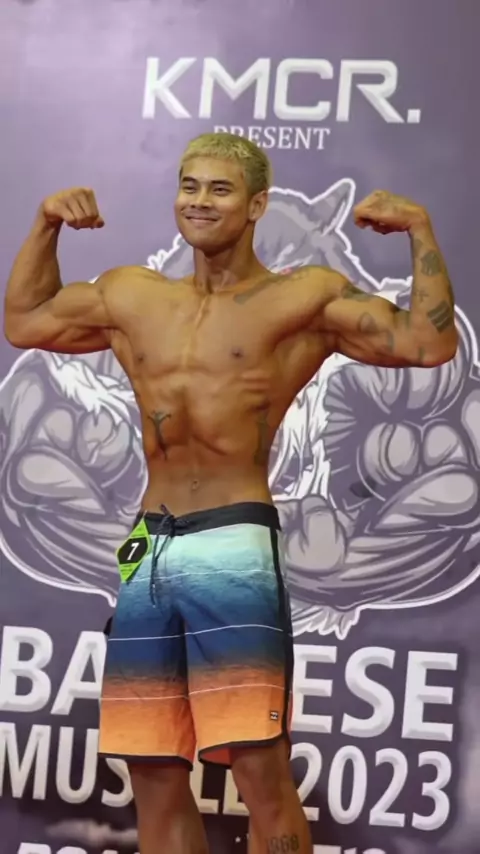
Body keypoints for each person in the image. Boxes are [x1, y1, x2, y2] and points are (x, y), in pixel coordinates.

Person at [4, 132, 457, 854]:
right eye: (189, 186)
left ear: (256, 205)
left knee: (257, 767)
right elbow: (25, 320)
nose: (199, 201)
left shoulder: (300, 297)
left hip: (233, 542)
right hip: (148, 547)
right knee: (152, 767)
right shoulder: (131, 294)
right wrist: (46, 224)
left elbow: (426, 344)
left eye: (219, 189)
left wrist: (420, 231)